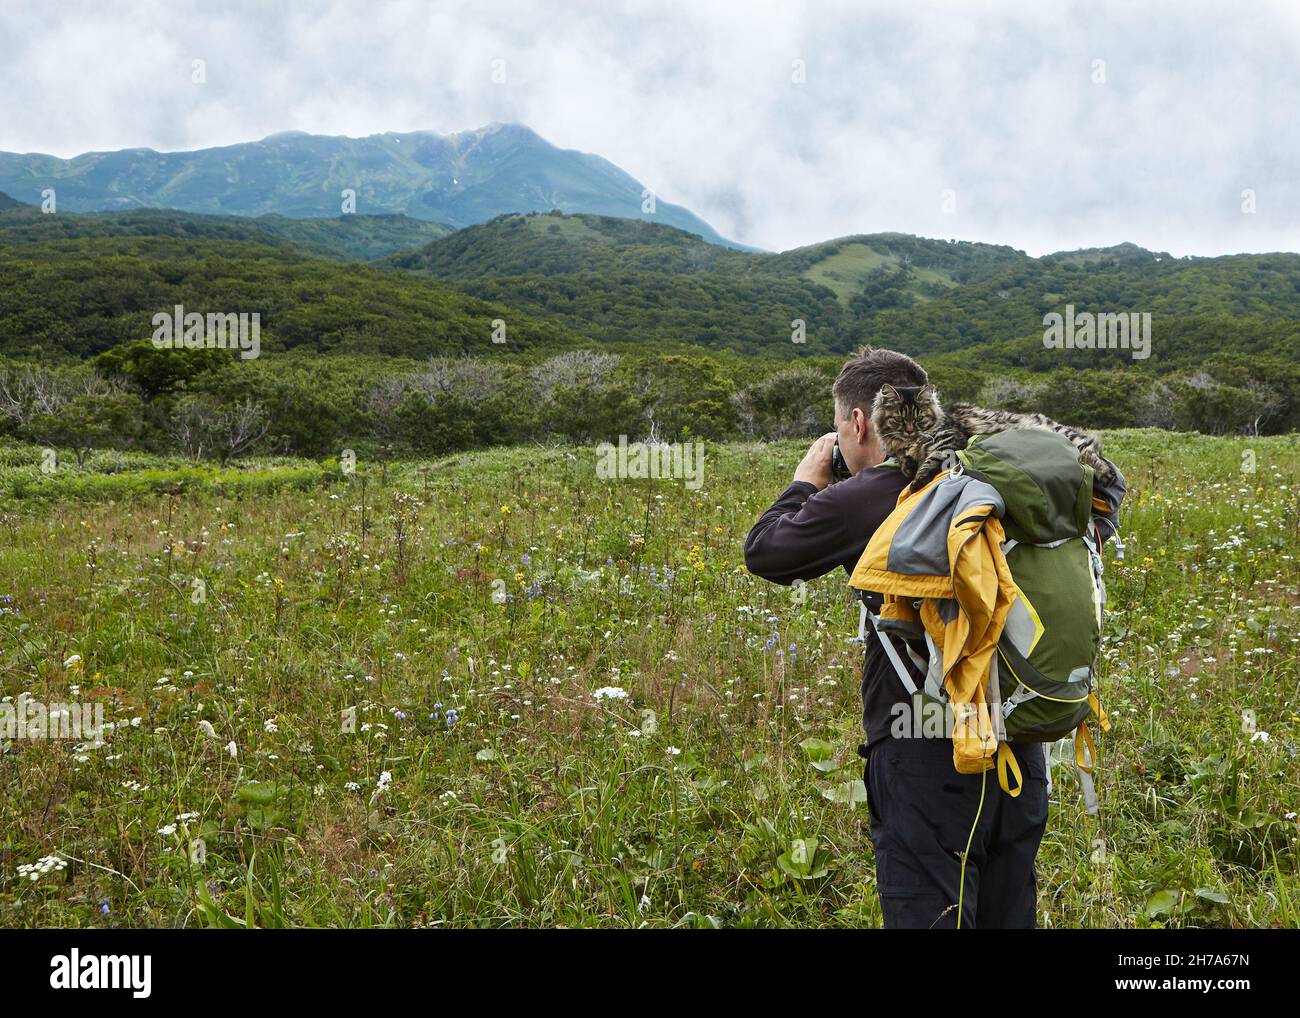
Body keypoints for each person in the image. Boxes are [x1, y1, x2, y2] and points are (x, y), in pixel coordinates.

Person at [744, 346, 1048, 929]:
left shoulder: (872, 495)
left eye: (839, 426)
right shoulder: (991, 479)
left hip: (926, 750)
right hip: (1019, 737)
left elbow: (767, 552)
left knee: (929, 915)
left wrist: (807, 480)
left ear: (859, 422)